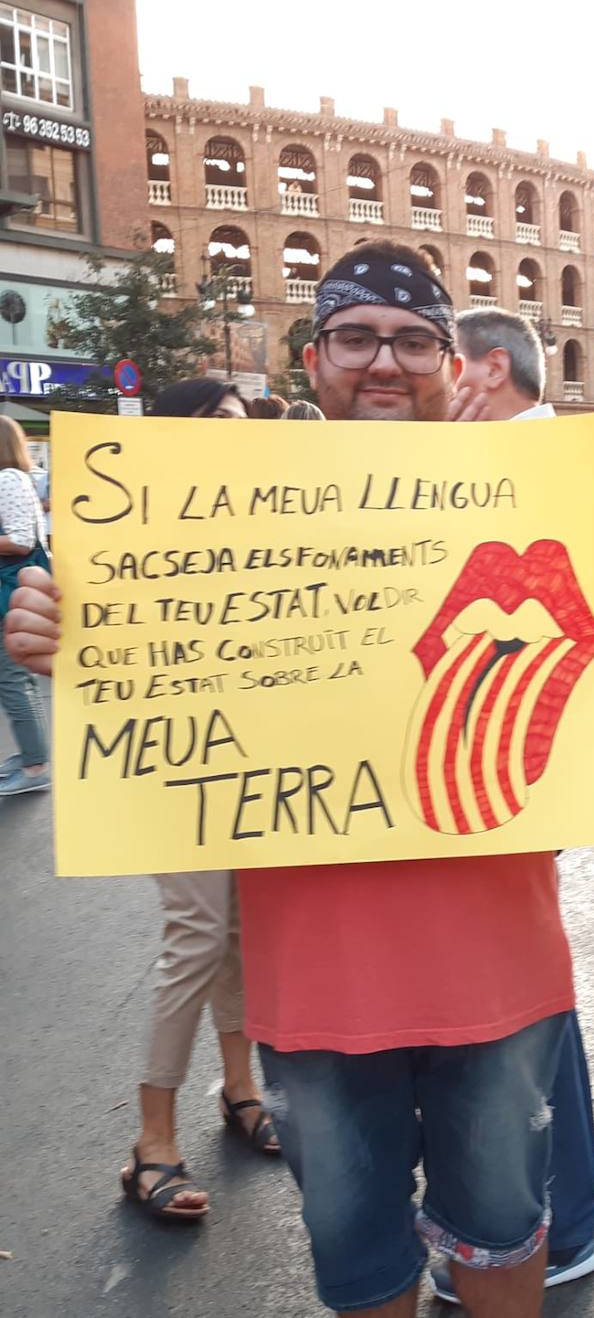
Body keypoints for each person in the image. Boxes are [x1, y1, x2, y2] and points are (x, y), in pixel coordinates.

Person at [7, 241, 594, 1318]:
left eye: (416, 339)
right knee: (361, 1274)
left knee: (507, 1248)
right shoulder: (227, 513)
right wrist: (71, 641)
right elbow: (160, 679)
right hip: (318, 991)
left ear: (455, 366)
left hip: (500, 979)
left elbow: (583, 742)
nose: (386, 361)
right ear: (312, 359)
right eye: (357, 336)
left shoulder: (538, 500)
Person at [425, 306, 594, 1300]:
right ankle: (552, 1211)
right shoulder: (528, 458)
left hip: (507, 770)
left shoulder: (520, 467)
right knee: (525, 985)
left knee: (519, 993)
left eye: (442, 362)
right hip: (513, 768)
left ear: (486, 370)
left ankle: (557, 1214)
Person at [104, 378, 281, 1223]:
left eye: (243, 427)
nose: (234, 440)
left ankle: (238, 1089)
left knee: (241, 930)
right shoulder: (129, 525)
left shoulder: (261, 521)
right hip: (174, 759)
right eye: (216, 425)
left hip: (256, 755)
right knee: (199, 936)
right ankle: (151, 1140)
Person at [0, 415, 51, 796]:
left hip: (12, 586)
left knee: (12, 679)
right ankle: (31, 757)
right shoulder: (15, 479)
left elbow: (19, 541)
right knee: (15, 678)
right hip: (13, 584)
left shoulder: (7, 479)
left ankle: (35, 767)